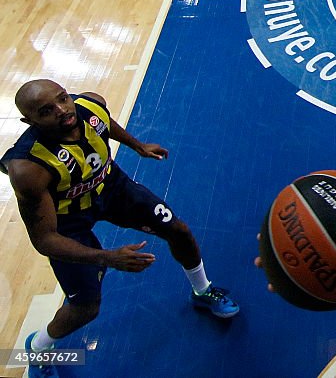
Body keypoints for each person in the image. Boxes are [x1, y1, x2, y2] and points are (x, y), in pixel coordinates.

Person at [2, 80, 239, 378]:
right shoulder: (28, 169)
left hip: (110, 186)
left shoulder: (88, 105)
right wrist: (108, 257)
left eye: (63, 99)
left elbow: (103, 123)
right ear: (30, 121)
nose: (62, 110)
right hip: (67, 221)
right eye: (47, 110)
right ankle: (37, 349)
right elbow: (45, 239)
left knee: (178, 231)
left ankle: (202, 291)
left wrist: (137, 145)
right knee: (86, 308)